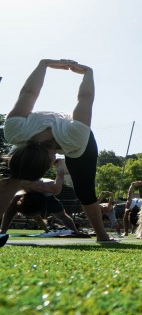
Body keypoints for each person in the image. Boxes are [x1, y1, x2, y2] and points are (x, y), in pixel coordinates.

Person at [0, 59, 114, 242]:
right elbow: (84, 98)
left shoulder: (17, 130)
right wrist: (46, 64)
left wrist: (44, 64)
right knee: (12, 176)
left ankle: (102, 234)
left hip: (72, 135)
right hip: (61, 136)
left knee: (84, 187)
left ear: (49, 159)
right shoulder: (17, 133)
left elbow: (30, 92)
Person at [0, 160, 82, 235]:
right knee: (10, 209)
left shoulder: (52, 188)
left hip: (45, 194)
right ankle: (3, 231)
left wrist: (59, 165)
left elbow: (60, 175)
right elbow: (8, 213)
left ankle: (75, 231)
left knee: (62, 215)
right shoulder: (20, 186)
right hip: (26, 193)